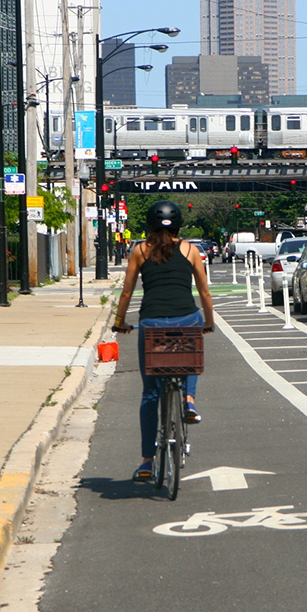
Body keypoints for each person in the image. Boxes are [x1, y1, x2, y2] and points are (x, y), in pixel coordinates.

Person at [111, 201, 214, 482]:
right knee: (191, 355)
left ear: (149, 225)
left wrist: (120, 323)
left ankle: (146, 461)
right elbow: (204, 292)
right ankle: (189, 400)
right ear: (179, 225)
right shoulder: (191, 250)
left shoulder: (140, 251)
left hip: (152, 322)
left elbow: (127, 292)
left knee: (150, 394)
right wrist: (208, 322)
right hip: (187, 317)